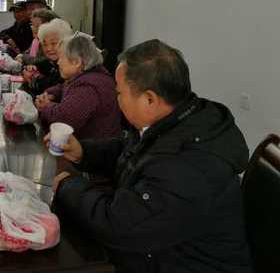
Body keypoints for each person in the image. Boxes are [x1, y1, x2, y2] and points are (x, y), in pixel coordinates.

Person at [48, 40, 252, 273]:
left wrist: (68, 186)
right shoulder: (178, 120)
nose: (117, 100)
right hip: (159, 250)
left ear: (149, 100)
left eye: (119, 93)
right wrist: (83, 152)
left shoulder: (186, 165)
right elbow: (129, 150)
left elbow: (118, 225)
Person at [35, 33, 120, 139]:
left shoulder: (88, 87)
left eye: (61, 58)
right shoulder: (90, 74)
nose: (58, 62)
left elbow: (64, 120)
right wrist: (50, 94)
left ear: (76, 62)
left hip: (92, 147)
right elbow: (63, 87)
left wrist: (45, 106)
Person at [22, 18, 72, 97]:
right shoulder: (49, 62)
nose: (48, 48)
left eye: (54, 43)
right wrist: (29, 70)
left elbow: (46, 86)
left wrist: (31, 79)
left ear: (66, 42)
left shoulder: (69, 66)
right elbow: (35, 66)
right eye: (44, 44)